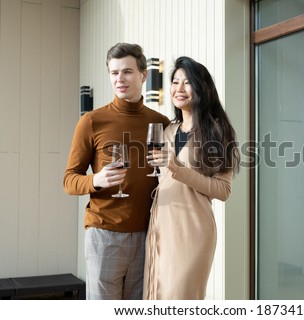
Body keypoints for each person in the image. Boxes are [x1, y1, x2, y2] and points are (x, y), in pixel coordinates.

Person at [63, 42, 170, 300]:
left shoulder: (161, 123)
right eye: (114, 73)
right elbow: (69, 180)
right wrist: (95, 180)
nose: (119, 79)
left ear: (144, 75)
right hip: (105, 234)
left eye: (127, 72)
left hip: (148, 234)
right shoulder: (92, 121)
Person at [143, 56, 240, 300]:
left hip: (192, 232)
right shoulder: (168, 130)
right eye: (175, 82)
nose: (179, 89)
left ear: (202, 88)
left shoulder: (216, 131)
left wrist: (177, 168)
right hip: (160, 230)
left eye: (188, 83)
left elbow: (223, 190)